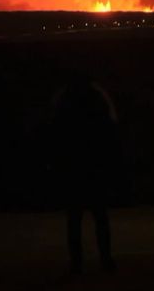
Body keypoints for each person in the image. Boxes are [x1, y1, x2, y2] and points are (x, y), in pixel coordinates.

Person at [49, 71, 122, 274]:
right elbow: (111, 128)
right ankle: (105, 260)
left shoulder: (65, 98)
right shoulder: (97, 96)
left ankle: (77, 263)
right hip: (93, 166)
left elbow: (55, 130)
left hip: (75, 167)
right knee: (99, 217)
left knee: (75, 219)